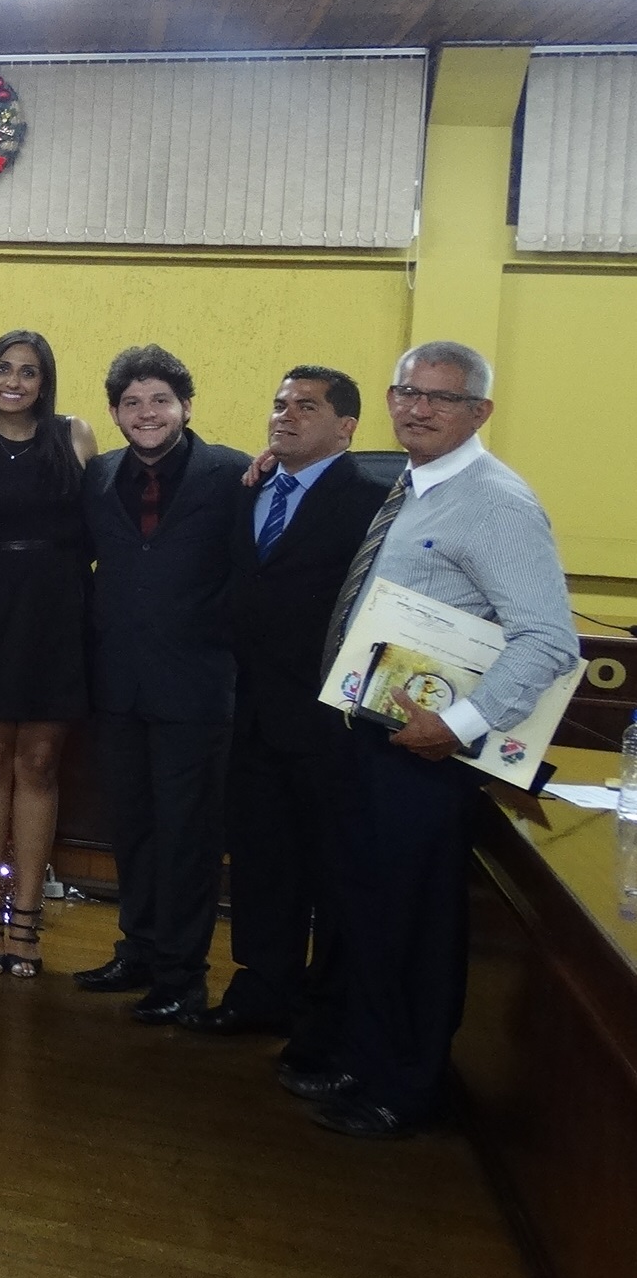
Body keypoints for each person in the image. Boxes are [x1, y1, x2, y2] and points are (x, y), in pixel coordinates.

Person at [298, 343, 575, 1139]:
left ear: (480, 412)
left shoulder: (494, 501)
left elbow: (547, 640)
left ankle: (406, 1087)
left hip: (422, 754)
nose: (417, 408)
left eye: (441, 399)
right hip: (365, 737)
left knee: (411, 925)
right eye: (406, 391)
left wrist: (454, 725)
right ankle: (363, 1054)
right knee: (363, 912)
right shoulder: (410, 483)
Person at [190, 367, 380, 1055]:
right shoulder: (253, 488)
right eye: (278, 403)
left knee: (327, 870)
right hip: (252, 710)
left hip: (328, 719)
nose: (285, 415)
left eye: (307, 406)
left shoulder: (372, 499)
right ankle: (260, 987)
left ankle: (321, 1014)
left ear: (346, 426)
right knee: (263, 860)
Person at [73, 345, 250, 1021]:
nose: (144, 413)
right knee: (133, 829)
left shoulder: (232, 474)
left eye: (158, 400)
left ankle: (181, 974)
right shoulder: (97, 476)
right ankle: (138, 949)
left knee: (187, 838)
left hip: (197, 689)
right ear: (115, 411)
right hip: (116, 687)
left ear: (184, 406)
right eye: (130, 402)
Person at [0, 330, 96, 978]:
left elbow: (105, 519)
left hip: (59, 611)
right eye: (2, 368)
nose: (13, 381)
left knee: (38, 759)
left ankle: (26, 913)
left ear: (43, 381)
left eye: (27, 372)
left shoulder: (75, 435)